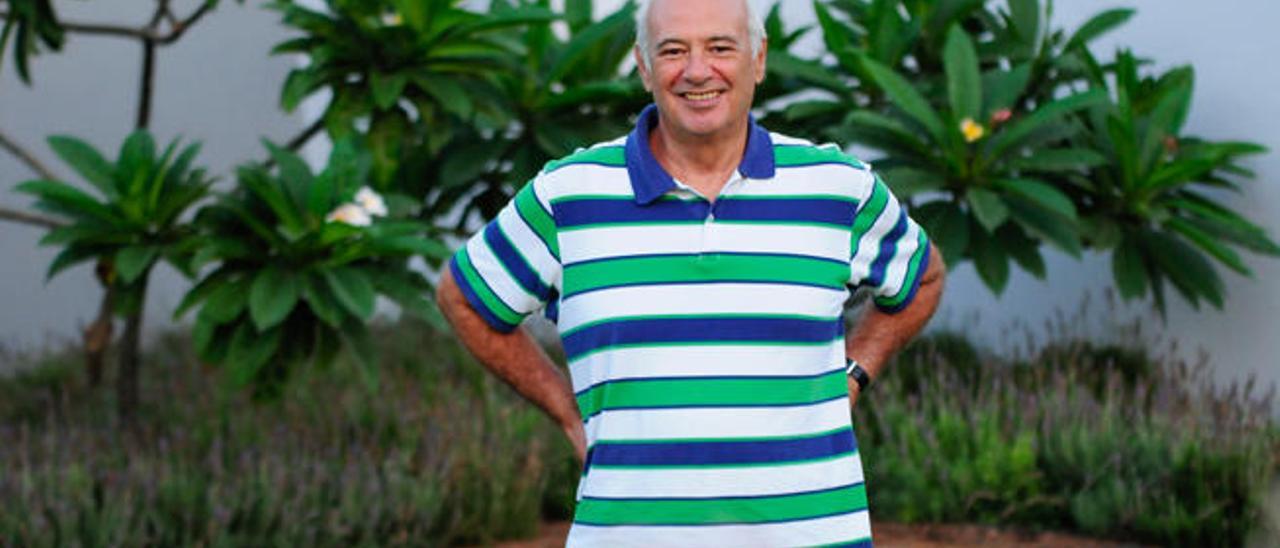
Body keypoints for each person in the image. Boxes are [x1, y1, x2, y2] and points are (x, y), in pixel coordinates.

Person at [435, 0, 946, 544]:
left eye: (720, 48)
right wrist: (567, 411)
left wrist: (855, 374)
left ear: (759, 59)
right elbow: (463, 296)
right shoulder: (570, 195)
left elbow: (923, 279)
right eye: (673, 50)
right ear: (644, 66)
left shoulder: (837, 189)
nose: (697, 71)